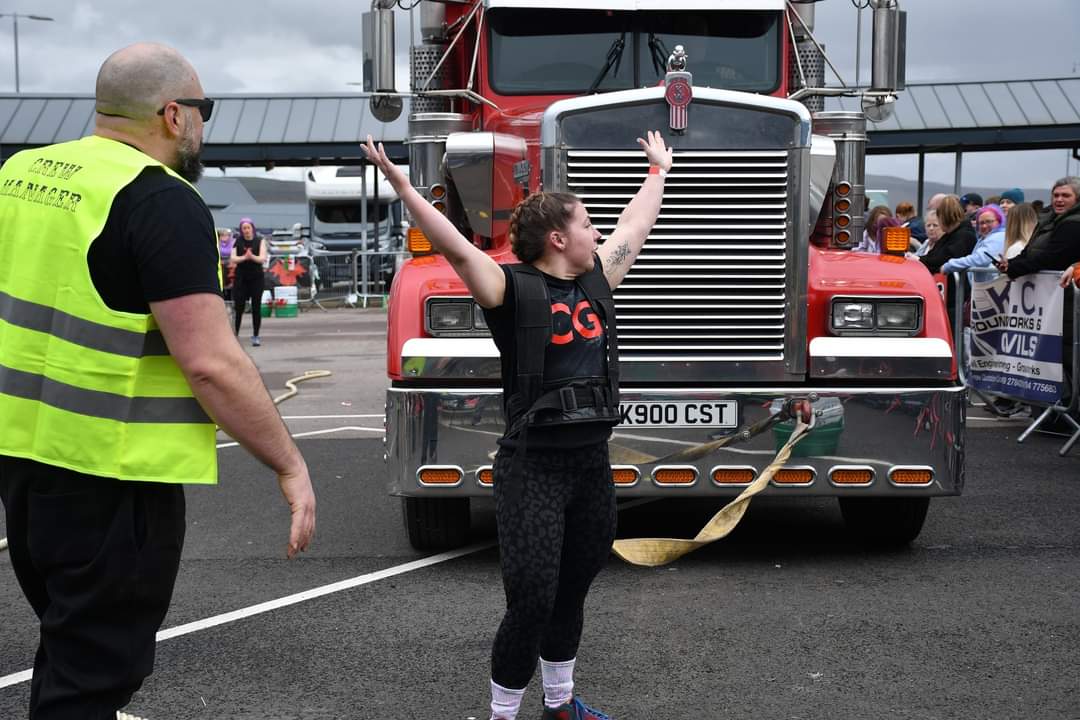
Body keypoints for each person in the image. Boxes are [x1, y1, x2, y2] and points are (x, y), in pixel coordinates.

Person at [0, 43, 316, 720]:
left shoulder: (17, 175)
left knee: (70, 647)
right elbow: (210, 360)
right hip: (111, 475)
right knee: (91, 677)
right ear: (173, 115)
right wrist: (288, 464)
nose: (205, 125)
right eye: (204, 110)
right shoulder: (161, 200)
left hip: (24, 461)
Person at [364, 130, 671, 720]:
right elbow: (456, 250)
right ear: (558, 238)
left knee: (573, 591)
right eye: (586, 224)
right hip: (533, 468)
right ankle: (502, 714)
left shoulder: (597, 280)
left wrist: (658, 170)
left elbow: (636, 226)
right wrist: (402, 185)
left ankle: (560, 705)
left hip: (590, 466)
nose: (598, 232)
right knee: (530, 600)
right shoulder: (510, 288)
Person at [941, 204, 1006, 283]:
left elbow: (981, 258)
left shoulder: (998, 236)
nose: (984, 226)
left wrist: (950, 265)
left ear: (999, 221)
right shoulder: (985, 237)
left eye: (989, 221)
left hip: (992, 290)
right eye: (981, 223)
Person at [231, 216, 268, 346]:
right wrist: (244, 257)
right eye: (244, 228)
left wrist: (251, 256)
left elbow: (262, 258)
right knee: (239, 306)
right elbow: (233, 258)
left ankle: (256, 335)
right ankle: (235, 334)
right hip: (241, 277)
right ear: (241, 230)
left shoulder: (259, 241)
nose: (246, 230)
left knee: (256, 307)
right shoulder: (238, 241)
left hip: (256, 277)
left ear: (252, 228)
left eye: (248, 227)